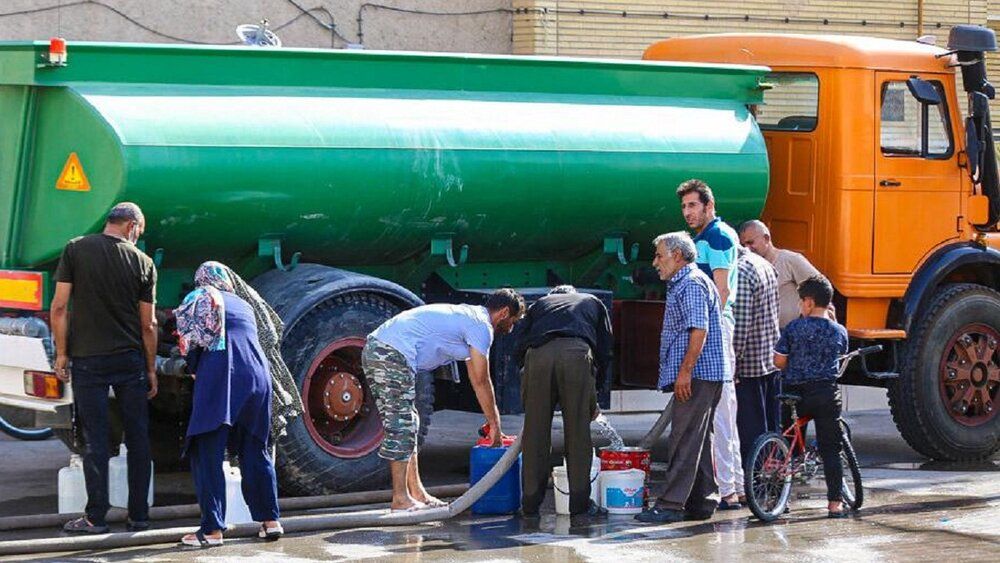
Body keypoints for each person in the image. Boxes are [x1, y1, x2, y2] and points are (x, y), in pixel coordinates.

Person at [363, 289, 525, 512]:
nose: (512, 328)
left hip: (385, 349)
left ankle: (417, 492)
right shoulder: (481, 327)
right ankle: (400, 498)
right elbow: (481, 381)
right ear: (504, 313)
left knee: (412, 422)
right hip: (390, 353)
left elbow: (475, 377)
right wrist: (496, 427)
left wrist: (494, 423)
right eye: (513, 321)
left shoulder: (470, 319)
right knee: (402, 425)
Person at [51, 202, 157, 534]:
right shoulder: (143, 262)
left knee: (94, 439)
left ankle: (96, 518)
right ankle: (138, 516)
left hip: (87, 360)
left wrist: (62, 354)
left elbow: (58, 307)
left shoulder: (75, 249)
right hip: (129, 361)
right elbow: (149, 325)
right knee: (138, 438)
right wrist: (151, 369)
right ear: (132, 227)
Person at [175, 262, 283, 547]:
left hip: (224, 372)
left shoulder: (199, 297)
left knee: (206, 448)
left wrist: (195, 368)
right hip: (259, 376)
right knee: (255, 447)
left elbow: (191, 344)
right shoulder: (244, 303)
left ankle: (211, 531)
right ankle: (270, 521)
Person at [636, 232, 729, 524]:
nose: (655, 263)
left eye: (659, 256)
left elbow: (698, 330)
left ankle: (671, 504)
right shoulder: (688, 282)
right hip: (704, 374)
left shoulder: (690, 283)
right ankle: (702, 502)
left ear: (677, 256)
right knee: (698, 439)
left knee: (684, 438)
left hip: (698, 374)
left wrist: (685, 372)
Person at [515, 285, 612, 517]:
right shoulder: (592, 301)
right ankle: (579, 505)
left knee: (535, 432)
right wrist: (594, 391)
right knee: (578, 432)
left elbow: (520, 343)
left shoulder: (540, 304)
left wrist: (527, 373)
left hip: (537, 356)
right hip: (576, 354)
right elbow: (605, 348)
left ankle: (529, 504)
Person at [676, 178, 742, 510]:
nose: (687, 212)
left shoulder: (717, 236)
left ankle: (729, 488)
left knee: (720, 411)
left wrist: (705, 334)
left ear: (708, 206)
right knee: (722, 409)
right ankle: (736, 485)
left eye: (692, 205)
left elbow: (722, 291)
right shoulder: (704, 237)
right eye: (684, 206)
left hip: (716, 327)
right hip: (714, 327)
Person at [773, 275, 850, 518]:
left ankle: (780, 499)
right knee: (830, 448)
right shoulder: (838, 330)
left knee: (787, 443)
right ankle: (835, 503)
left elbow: (778, 361)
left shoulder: (794, 328)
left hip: (795, 393)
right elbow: (841, 352)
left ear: (807, 302)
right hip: (825, 394)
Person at [732, 246, 781, 474]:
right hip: (769, 357)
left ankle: (756, 480)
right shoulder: (762, 264)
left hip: (748, 365)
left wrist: (733, 362)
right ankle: (773, 477)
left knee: (750, 431)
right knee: (771, 425)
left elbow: (740, 324)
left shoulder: (740, 271)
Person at [738, 220, 829, 329]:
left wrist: (815, 317)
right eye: (743, 245)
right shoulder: (749, 267)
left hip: (794, 332)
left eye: (751, 242)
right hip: (766, 334)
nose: (747, 249)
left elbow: (821, 287)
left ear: (766, 238)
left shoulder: (790, 260)